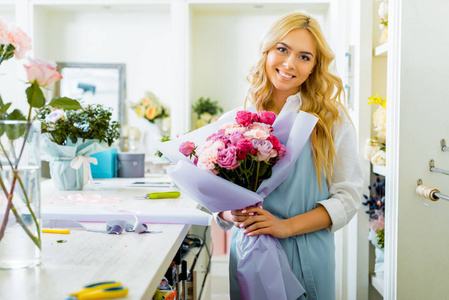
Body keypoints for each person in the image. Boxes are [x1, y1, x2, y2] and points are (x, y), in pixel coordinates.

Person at [214, 11, 363, 300]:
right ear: (267, 51)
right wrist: (228, 213)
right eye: (282, 49)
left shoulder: (331, 120)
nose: (289, 63)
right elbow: (211, 194)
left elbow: (348, 197)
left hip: (306, 253)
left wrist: (286, 227)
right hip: (249, 252)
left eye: (304, 57)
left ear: (314, 67)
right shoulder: (234, 121)